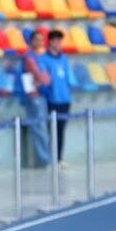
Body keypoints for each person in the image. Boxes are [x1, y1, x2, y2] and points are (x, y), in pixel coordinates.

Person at [18, 32, 51, 168]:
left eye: (41, 40)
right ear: (30, 41)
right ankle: (43, 160)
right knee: (39, 129)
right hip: (33, 97)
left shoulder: (41, 57)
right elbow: (41, 77)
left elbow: (48, 76)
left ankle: (44, 158)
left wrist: (45, 79)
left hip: (41, 95)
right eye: (36, 40)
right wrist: (44, 78)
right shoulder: (29, 57)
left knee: (42, 128)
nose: (39, 42)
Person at [39, 29, 72, 161]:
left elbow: (67, 78)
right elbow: (42, 80)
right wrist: (47, 93)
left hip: (65, 99)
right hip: (52, 100)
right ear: (50, 42)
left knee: (61, 131)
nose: (59, 44)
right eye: (56, 41)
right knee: (51, 130)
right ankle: (50, 157)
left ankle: (59, 158)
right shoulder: (43, 59)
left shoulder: (64, 59)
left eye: (60, 41)